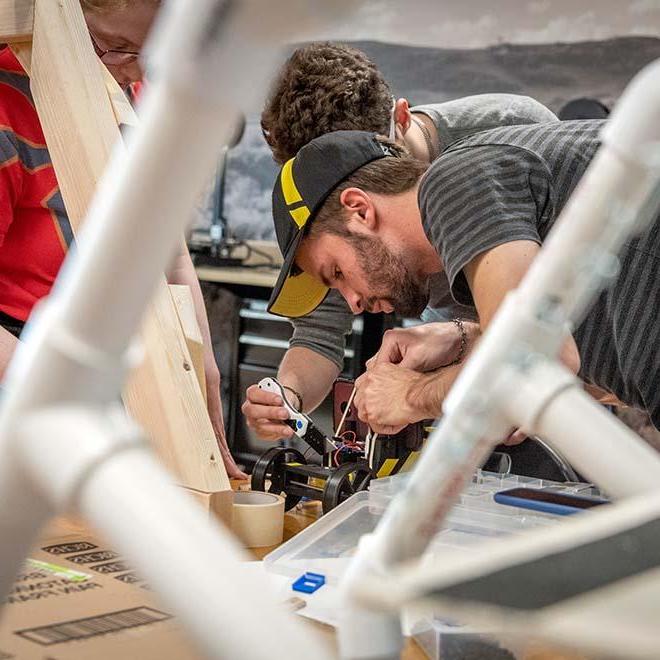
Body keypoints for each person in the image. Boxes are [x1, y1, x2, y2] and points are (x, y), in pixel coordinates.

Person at [243, 41, 558, 440]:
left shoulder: (503, 136)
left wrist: (421, 391)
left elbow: (557, 340)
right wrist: (287, 397)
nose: (353, 299)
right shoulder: (337, 219)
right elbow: (318, 333)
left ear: (401, 119)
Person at [265, 123, 660, 434]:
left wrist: (411, 395)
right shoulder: (483, 247)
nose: (352, 302)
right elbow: (598, 377)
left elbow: (537, 362)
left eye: (336, 273)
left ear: (360, 209)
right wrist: (469, 341)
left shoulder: (453, 181)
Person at [0, 0, 246, 478]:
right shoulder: (7, 109)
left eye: (153, 53)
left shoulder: (132, 86)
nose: (133, 73)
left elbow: (165, 245)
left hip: (114, 360)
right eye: (116, 48)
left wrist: (198, 362)